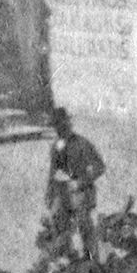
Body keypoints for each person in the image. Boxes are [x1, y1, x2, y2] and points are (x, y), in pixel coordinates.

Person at [45, 108, 106, 265]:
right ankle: (66, 259)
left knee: (83, 222)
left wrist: (81, 182)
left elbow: (100, 166)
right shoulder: (56, 146)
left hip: (82, 191)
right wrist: (49, 193)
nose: (58, 128)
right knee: (58, 223)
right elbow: (53, 172)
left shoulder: (82, 143)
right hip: (63, 192)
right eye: (55, 126)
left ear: (67, 123)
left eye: (61, 124)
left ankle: (91, 258)